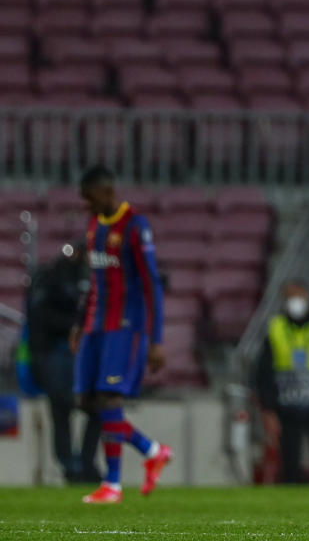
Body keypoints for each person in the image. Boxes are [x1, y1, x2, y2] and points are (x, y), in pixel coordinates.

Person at [70, 165, 171, 504]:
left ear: (106, 192)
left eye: (90, 198)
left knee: (110, 399)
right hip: (95, 325)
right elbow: (93, 279)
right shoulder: (94, 225)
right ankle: (152, 450)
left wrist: (156, 339)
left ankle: (112, 484)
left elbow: (152, 284)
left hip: (126, 326)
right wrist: (78, 323)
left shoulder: (135, 226)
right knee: (85, 401)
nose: (86, 205)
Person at [25, 242, 101, 483]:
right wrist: (75, 325)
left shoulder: (86, 278)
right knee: (63, 408)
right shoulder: (52, 279)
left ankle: (83, 463)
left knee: (96, 407)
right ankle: (72, 465)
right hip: (57, 352)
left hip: (77, 354)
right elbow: (40, 317)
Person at [256, 280, 309, 483]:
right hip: (287, 406)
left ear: (307, 296)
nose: (295, 302)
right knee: (289, 461)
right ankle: (290, 503)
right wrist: (268, 409)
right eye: (290, 297)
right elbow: (263, 372)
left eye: (298, 296)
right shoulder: (276, 328)